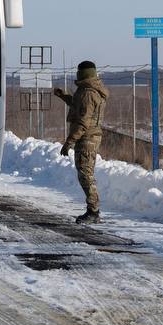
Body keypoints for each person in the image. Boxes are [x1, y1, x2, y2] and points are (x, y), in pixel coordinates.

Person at [54, 60, 109, 224]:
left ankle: (93, 211)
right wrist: (64, 96)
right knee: (86, 173)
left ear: (82, 74)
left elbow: (83, 122)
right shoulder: (89, 90)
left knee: (86, 174)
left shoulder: (88, 92)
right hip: (90, 136)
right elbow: (79, 106)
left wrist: (69, 141)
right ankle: (93, 210)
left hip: (87, 138)